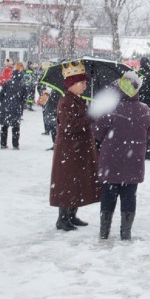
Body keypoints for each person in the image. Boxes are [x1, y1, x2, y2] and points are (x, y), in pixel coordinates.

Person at [93, 71, 150, 240]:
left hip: (111, 161)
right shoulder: (144, 109)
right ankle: (125, 232)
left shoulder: (111, 108)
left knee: (108, 196)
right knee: (129, 197)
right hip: (133, 161)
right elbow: (149, 131)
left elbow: (97, 131)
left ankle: (104, 231)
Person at [49, 61, 100, 231]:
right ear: (73, 84)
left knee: (76, 182)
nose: (85, 86)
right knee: (66, 183)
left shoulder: (77, 99)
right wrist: (90, 117)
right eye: (83, 83)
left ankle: (71, 214)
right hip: (69, 150)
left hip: (77, 149)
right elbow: (70, 126)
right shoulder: (65, 102)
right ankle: (62, 218)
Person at [0, 63, 29, 149]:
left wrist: (4, 102)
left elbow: (1, 95)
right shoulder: (23, 85)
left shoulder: (7, 83)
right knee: (15, 127)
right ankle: (15, 144)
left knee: (4, 126)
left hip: (6, 107)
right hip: (16, 107)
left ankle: (3, 143)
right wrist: (21, 104)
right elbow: (24, 98)